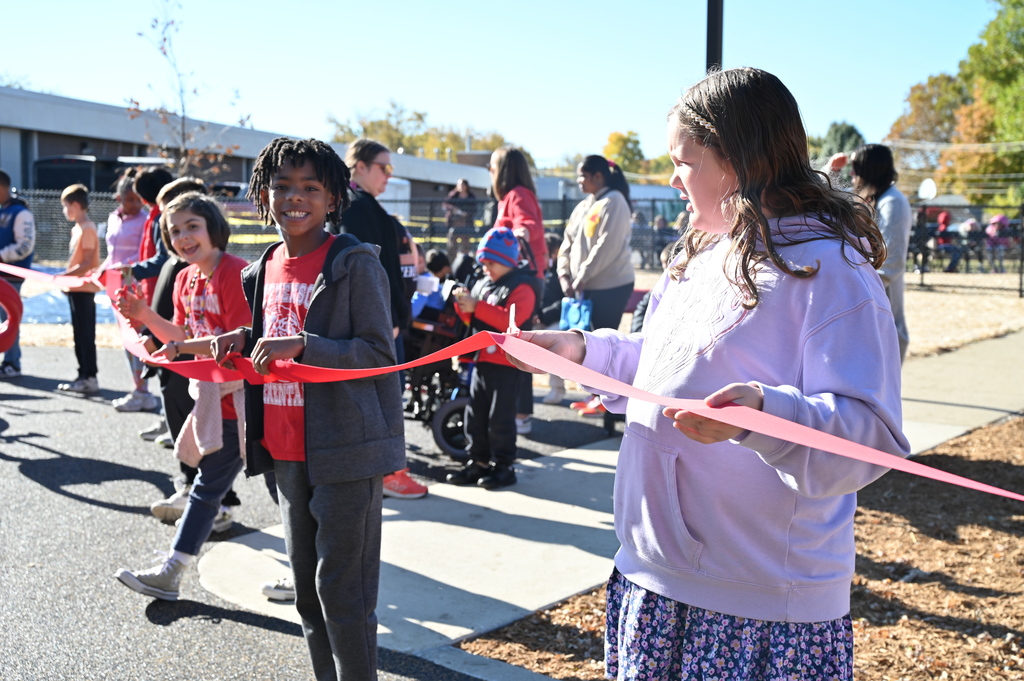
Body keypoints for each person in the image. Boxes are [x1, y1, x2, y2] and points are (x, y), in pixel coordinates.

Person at [510, 68, 909, 679]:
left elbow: (870, 442)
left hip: (762, 609)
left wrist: (762, 416)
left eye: (684, 161)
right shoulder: (702, 253)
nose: (673, 179)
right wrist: (582, 352)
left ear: (739, 159)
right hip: (653, 582)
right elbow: (667, 364)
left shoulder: (832, 270)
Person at [211, 137, 405, 680]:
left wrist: (303, 345)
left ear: (333, 197)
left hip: (345, 450)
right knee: (306, 596)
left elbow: (376, 355)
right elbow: (275, 338)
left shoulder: (354, 263)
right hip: (284, 450)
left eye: (310, 188)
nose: (295, 197)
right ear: (264, 194)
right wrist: (244, 337)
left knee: (342, 596)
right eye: (282, 186)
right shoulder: (263, 268)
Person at [114, 191, 252, 600]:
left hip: (249, 401)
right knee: (223, 488)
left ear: (214, 227)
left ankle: (172, 572)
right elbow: (182, 335)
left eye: (192, 226)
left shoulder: (235, 273)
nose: (184, 237)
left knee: (265, 488)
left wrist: (179, 349)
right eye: (174, 231)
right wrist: (144, 317)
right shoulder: (183, 278)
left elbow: (235, 343)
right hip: (216, 398)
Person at [336, 138, 425, 500]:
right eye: (383, 167)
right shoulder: (355, 210)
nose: (388, 175)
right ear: (359, 166)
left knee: (379, 396)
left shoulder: (361, 206)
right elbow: (364, 272)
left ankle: (382, 470)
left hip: (383, 318)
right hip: (377, 323)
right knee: (381, 396)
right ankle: (387, 472)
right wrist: (382, 319)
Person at [447, 226, 537, 490]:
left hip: (508, 364)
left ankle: (504, 466)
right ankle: (478, 462)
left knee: (501, 418)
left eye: (491, 262)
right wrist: (463, 304)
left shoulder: (524, 286)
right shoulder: (485, 283)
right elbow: (472, 319)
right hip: (483, 362)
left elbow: (512, 320)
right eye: (483, 262)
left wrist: (478, 306)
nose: (486, 268)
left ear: (508, 260)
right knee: (476, 415)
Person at [558, 154, 635, 417]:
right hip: (585, 285)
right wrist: (563, 274)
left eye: (582, 175)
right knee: (588, 342)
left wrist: (580, 278)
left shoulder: (615, 202)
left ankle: (605, 400)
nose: (579, 181)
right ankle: (596, 396)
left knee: (602, 343)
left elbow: (606, 246)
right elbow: (566, 243)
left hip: (610, 285)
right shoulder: (583, 206)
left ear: (598, 176)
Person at [827, 143, 912, 362]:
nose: (852, 174)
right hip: (868, 304)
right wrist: (831, 171)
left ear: (870, 169)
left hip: (882, 307)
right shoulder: (870, 198)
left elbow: (890, 263)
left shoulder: (893, 202)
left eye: (856, 167)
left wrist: (853, 290)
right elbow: (828, 199)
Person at [488, 146, 544, 434]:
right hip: (518, 278)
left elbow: (528, 224)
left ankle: (521, 413)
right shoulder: (509, 198)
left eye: (492, 167)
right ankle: (519, 412)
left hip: (522, 281)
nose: (490, 173)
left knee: (519, 345)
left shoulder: (517, 195)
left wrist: (519, 232)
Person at [102, 170, 159, 412]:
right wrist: (102, 271)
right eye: (129, 200)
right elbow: (112, 253)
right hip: (115, 287)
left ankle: (143, 390)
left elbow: (144, 254)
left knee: (139, 340)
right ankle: (138, 388)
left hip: (134, 287)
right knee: (127, 341)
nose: (134, 204)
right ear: (119, 199)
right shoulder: (113, 218)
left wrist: (127, 271)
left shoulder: (146, 220)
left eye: (137, 199)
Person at [57, 183, 101, 394]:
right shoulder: (77, 228)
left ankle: (90, 376)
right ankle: (82, 374)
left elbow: (89, 263)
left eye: (66, 206)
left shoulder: (88, 228)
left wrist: (65, 276)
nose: (65, 211)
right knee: (78, 333)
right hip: (74, 288)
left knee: (85, 334)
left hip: (84, 288)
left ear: (75, 205)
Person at [0, 169, 35, 378]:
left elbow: (25, 245)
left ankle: (13, 361)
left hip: (12, 276)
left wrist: (2, 256)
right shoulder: (3, 210)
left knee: (10, 318)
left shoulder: (20, 212)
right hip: (1, 275)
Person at [537, 232, 567, 404]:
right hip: (543, 318)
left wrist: (544, 315)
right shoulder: (545, 270)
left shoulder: (561, 272)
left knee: (552, 339)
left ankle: (557, 388)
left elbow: (565, 301)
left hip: (557, 319)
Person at [444, 178, 478, 256]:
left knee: (466, 244)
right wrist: (455, 210)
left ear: (466, 186)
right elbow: (446, 204)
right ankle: (452, 261)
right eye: (459, 185)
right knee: (452, 244)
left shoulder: (471, 196)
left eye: (463, 185)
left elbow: (474, 209)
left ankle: (464, 260)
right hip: (454, 223)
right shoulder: (453, 195)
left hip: (466, 223)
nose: (461, 186)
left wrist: (466, 213)